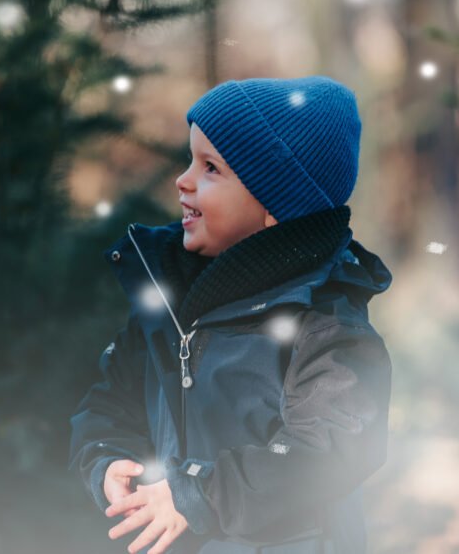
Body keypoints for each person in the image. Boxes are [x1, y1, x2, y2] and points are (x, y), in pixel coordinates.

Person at [68, 77, 393, 554]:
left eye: (210, 169)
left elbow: (329, 449)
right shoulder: (169, 302)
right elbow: (110, 400)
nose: (183, 179)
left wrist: (196, 494)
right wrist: (105, 459)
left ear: (275, 207)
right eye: (190, 160)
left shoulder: (325, 323)